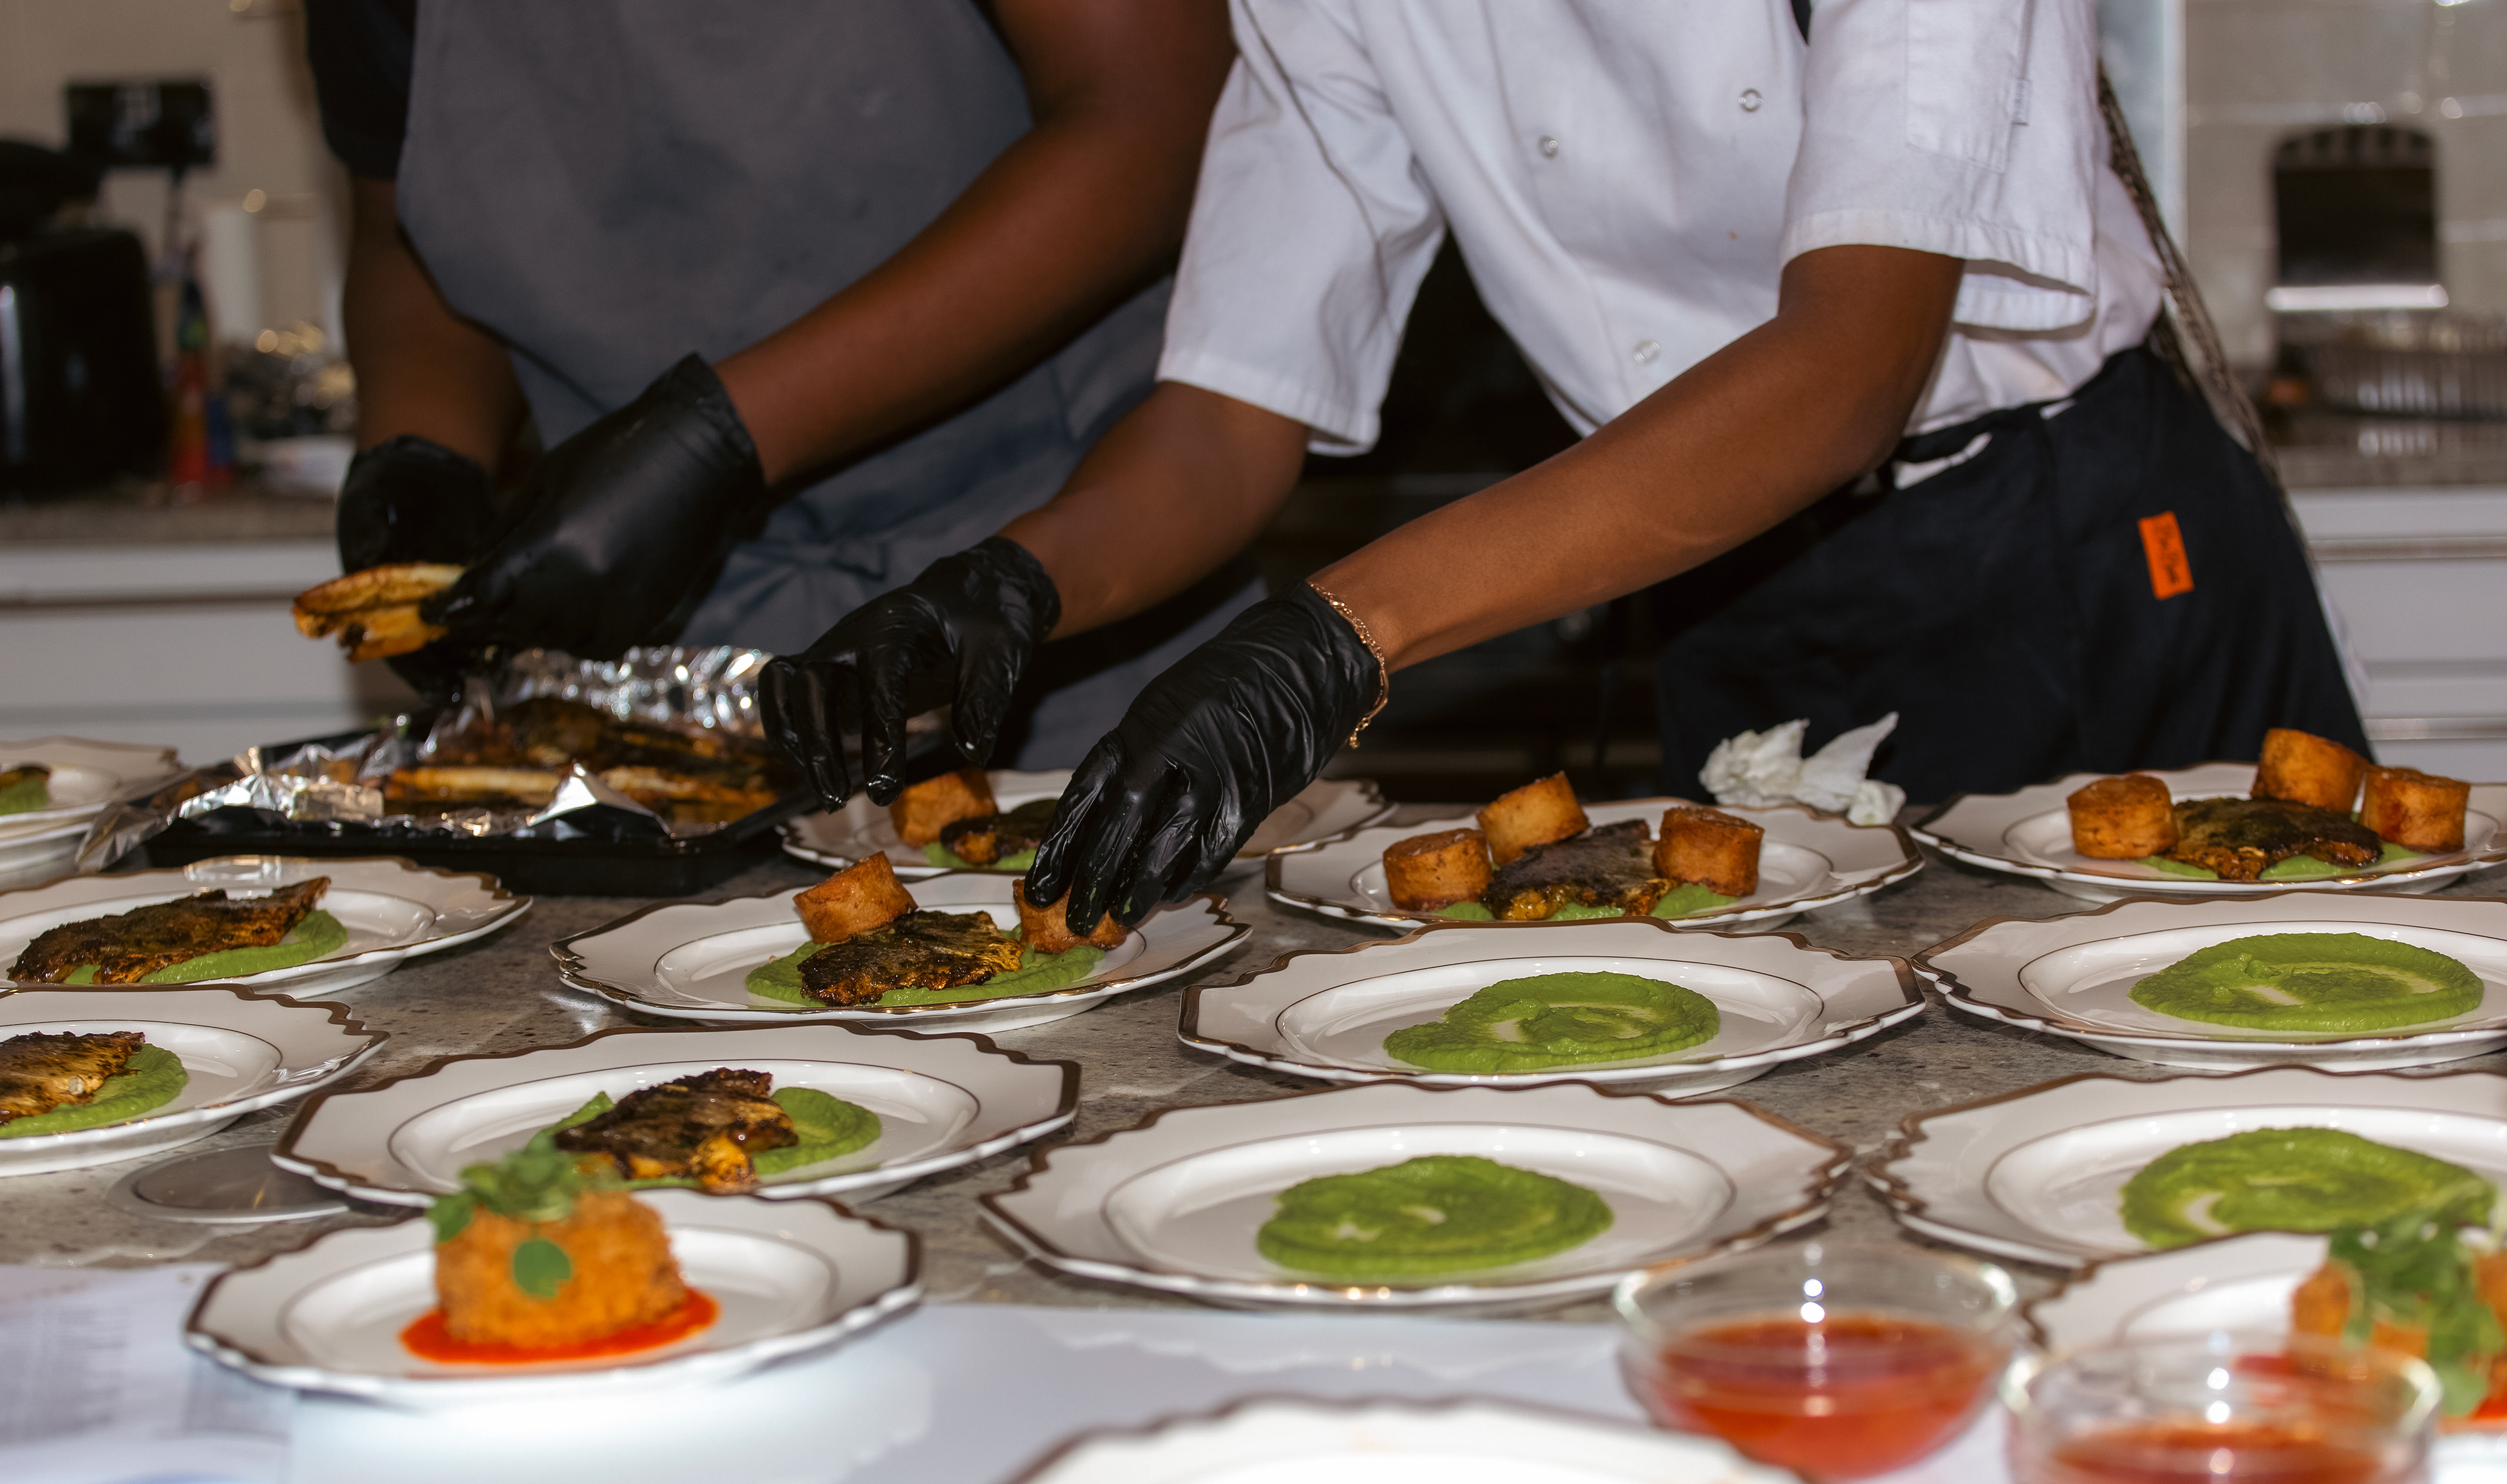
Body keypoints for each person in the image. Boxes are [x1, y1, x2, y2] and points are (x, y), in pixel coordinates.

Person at [763, 0, 2370, 934]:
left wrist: (1342, 634)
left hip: (2066, 548)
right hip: (1701, 562)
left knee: (2240, 1057)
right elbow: (1227, 412)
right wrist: (1011, 586)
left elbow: (1847, 370)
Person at [304, 0, 1250, 768]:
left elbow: (1154, 117)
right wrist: (422, 452)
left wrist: (721, 436)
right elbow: (406, 219)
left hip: (1058, 581)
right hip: (666, 660)